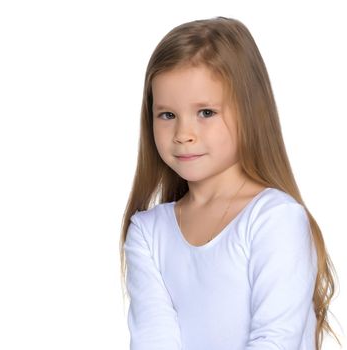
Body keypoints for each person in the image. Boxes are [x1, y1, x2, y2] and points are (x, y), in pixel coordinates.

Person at [119, 16, 340, 350]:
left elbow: (275, 341)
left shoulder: (274, 219)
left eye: (206, 112)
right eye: (167, 115)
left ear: (250, 112)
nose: (183, 134)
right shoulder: (148, 233)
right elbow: (154, 339)